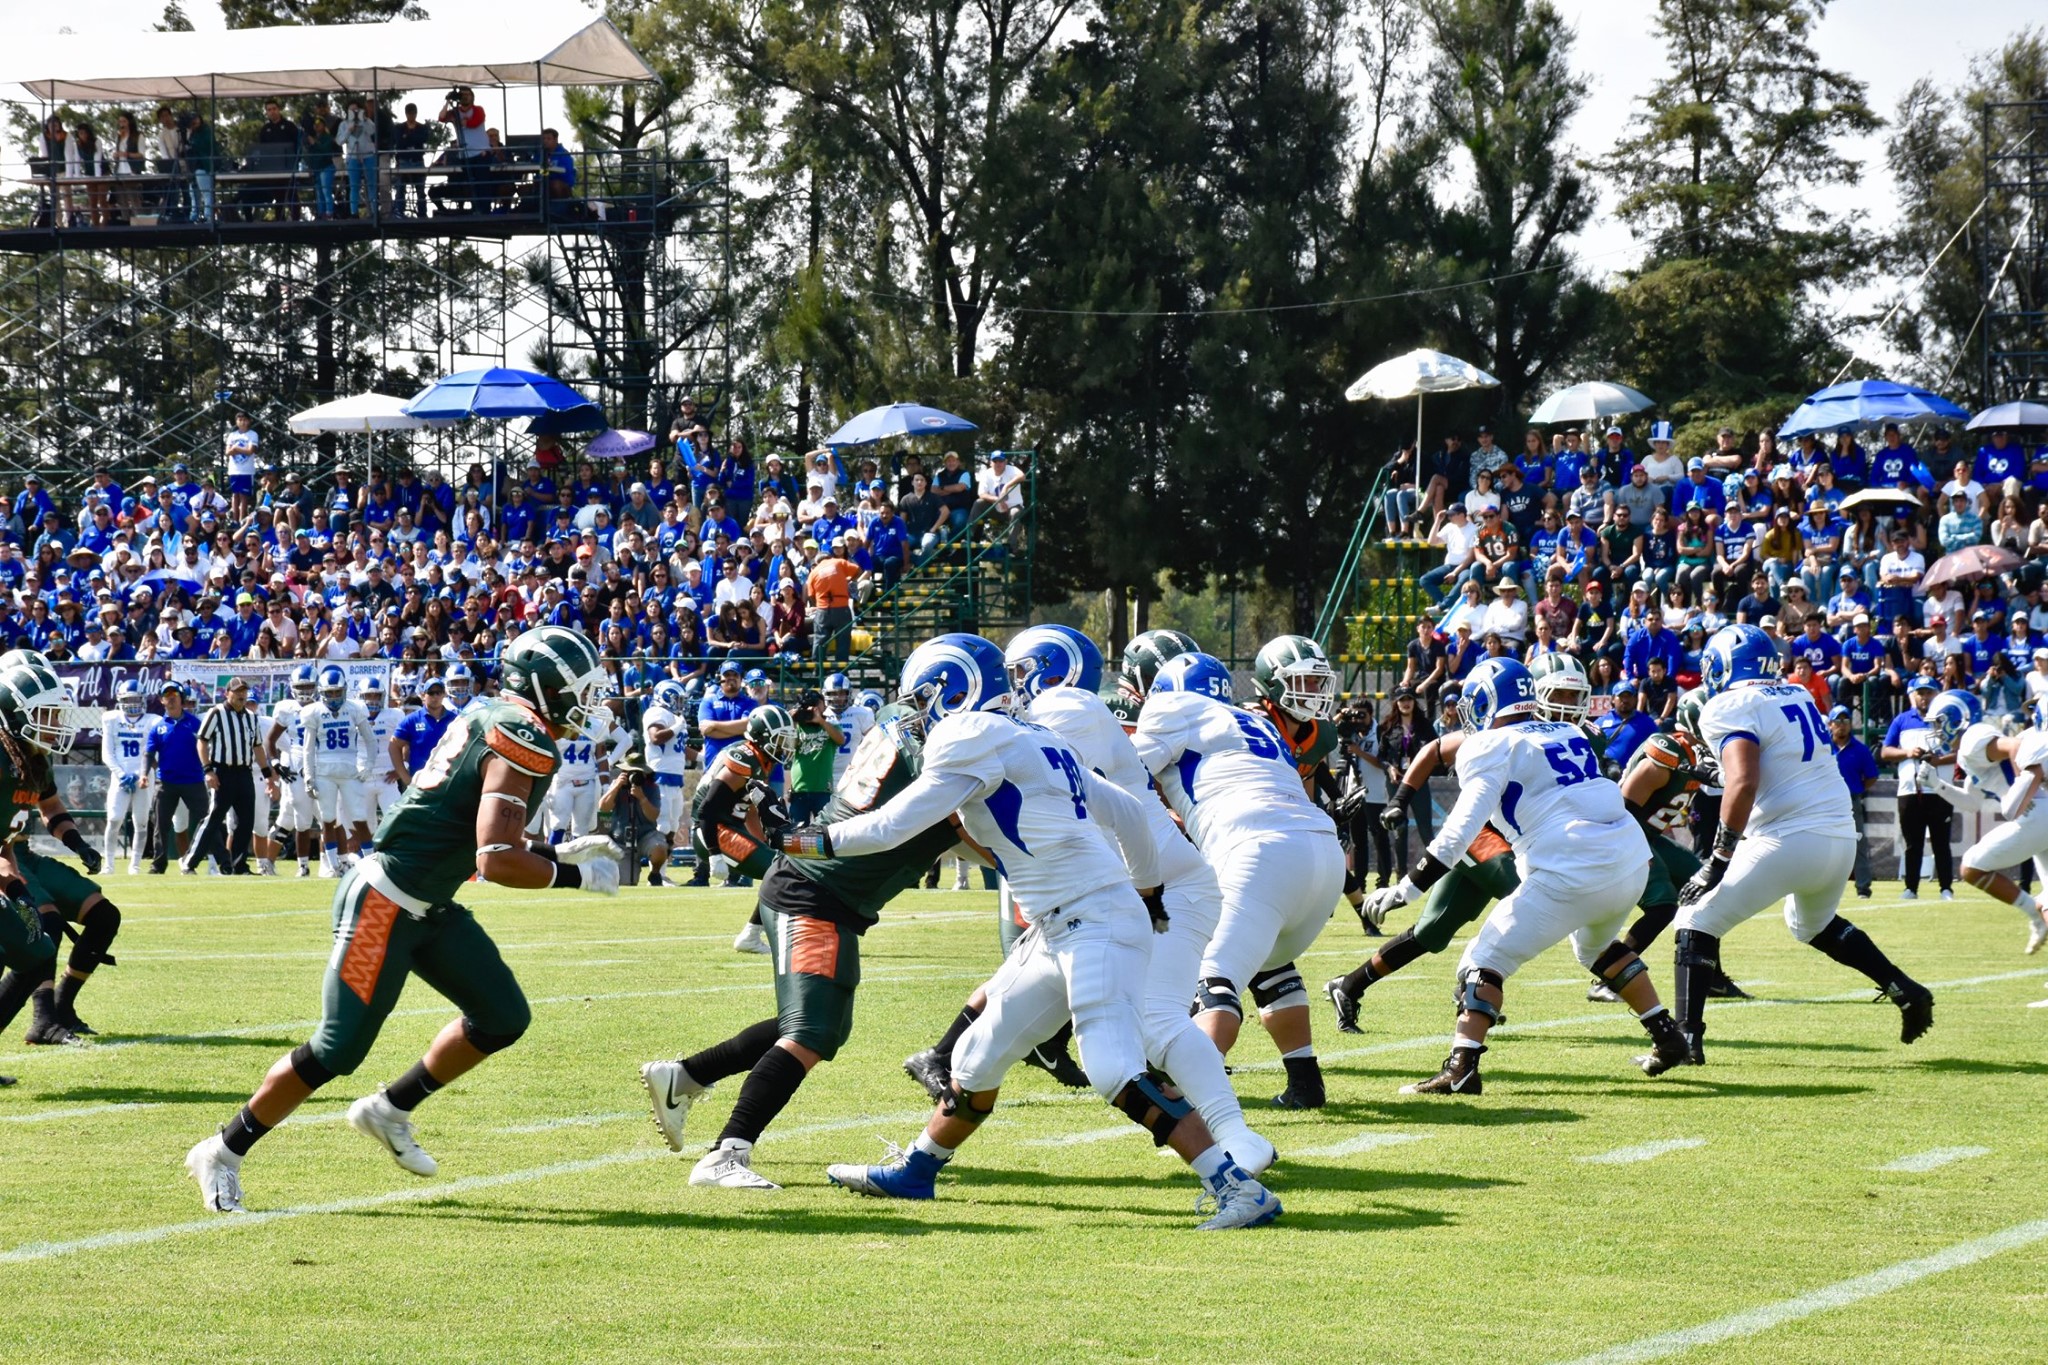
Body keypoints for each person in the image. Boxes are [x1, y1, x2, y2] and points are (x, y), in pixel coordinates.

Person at [792, 636, 1279, 1230]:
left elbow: (892, 827)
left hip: (1091, 918)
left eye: (924, 698)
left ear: (955, 688)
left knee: (1113, 1066)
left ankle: (1235, 1189)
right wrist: (1147, 888)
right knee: (974, 1058)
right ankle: (917, 1172)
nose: (920, 715)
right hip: (1066, 923)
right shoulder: (1039, 739)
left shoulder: (974, 736)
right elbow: (1125, 811)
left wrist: (799, 841)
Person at [186, 627, 619, 1214]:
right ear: (547, 687)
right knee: (337, 1049)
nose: (591, 702)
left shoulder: (494, 715)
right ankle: (222, 1149)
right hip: (384, 903)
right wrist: (573, 877)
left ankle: (389, 1109)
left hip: (429, 904)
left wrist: (547, 852)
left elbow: (470, 824)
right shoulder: (521, 736)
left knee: (502, 1016)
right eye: (583, 689)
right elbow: (492, 859)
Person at [1361, 657, 1680, 1093]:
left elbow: (1459, 830)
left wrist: (1406, 888)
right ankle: (1668, 1036)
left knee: (1482, 961)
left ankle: (1462, 1070)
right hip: (1627, 860)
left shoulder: (1488, 744)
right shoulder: (1568, 730)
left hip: (1570, 865)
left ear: (1483, 701)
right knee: (1597, 949)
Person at [1672, 625, 1934, 1067]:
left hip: (1788, 838)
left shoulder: (1727, 704)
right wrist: (1711, 774)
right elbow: (1771, 767)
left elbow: (1745, 780)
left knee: (1695, 920)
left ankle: (1685, 1042)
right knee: (1810, 924)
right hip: (1837, 838)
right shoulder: (1797, 694)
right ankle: (1904, 989)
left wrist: (1717, 860)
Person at [1133, 650, 1345, 1109]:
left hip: (1257, 849)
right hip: (1320, 852)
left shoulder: (1172, 707)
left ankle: (1197, 1103)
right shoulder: (1260, 723)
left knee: (1212, 975)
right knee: (1267, 959)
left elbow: (1124, 773)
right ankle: (1305, 1082)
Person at [1925, 689, 2048, 953]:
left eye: (1938, 722)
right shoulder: (1967, 753)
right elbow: (1972, 802)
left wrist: (2021, 791)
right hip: (2039, 811)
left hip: (2036, 810)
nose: (1935, 730)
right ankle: (2037, 915)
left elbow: (2013, 747)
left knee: (1971, 867)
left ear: (1954, 718)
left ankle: (2034, 914)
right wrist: (1937, 785)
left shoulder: (1972, 739)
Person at [1880, 676, 1954, 902]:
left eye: (1929, 692)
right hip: (1909, 789)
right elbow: (1885, 752)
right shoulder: (1902, 720)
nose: (1924, 697)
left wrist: (1937, 760)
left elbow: (1959, 753)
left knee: (1941, 842)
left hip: (1939, 790)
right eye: (1921, 693)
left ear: (1936, 694)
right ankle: (1911, 887)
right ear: (1914, 695)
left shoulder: (1947, 720)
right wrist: (1908, 752)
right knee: (1913, 843)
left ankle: (1946, 888)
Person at [188, 677, 271, 877]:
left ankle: (240, 865)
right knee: (214, 818)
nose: (241, 695)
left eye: (244, 691)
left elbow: (257, 746)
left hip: (244, 772)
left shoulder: (251, 716)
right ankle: (190, 861)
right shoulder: (216, 713)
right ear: (228, 693)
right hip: (222, 772)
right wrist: (208, 770)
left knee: (246, 821)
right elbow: (202, 742)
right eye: (237, 691)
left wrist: (267, 772)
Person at [303, 664, 377, 874]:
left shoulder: (354, 708)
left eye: (337, 691)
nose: (334, 696)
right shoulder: (314, 712)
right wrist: (309, 776)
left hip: (349, 771)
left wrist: (369, 765)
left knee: (359, 818)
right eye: (330, 692)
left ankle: (370, 862)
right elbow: (308, 749)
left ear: (344, 690)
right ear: (322, 692)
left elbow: (371, 741)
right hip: (325, 772)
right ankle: (334, 866)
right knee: (328, 819)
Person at [142, 680, 207, 875]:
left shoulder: (195, 723)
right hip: (167, 782)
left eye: (174, 697)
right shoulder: (158, 727)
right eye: (167, 697)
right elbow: (149, 753)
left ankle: (217, 861)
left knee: (207, 821)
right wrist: (144, 774)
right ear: (162, 701)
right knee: (161, 825)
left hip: (194, 780)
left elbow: (207, 748)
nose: (171, 700)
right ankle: (158, 864)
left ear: (182, 700)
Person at [100, 679, 155, 873]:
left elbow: (152, 752)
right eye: (128, 699)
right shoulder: (111, 719)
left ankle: (135, 864)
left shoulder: (152, 721)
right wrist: (121, 774)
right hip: (120, 776)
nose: (132, 703)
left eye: (135, 698)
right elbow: (107, 753)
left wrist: (142, 773)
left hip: (144, 778)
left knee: (141, 821)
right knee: (114, 819)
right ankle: (109, 864)